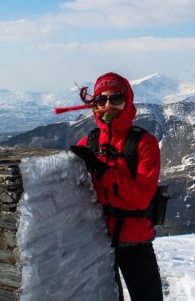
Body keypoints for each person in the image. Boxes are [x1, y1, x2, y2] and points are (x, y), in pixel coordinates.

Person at [60, 72, 163, 301]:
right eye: (101, 100)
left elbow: (141, 198)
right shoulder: (89, 142)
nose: (108, 105)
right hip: (97, 242)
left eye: (116, 99)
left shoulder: (144, 143)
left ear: (127, 102)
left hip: (136, 245)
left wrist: (100, 169)